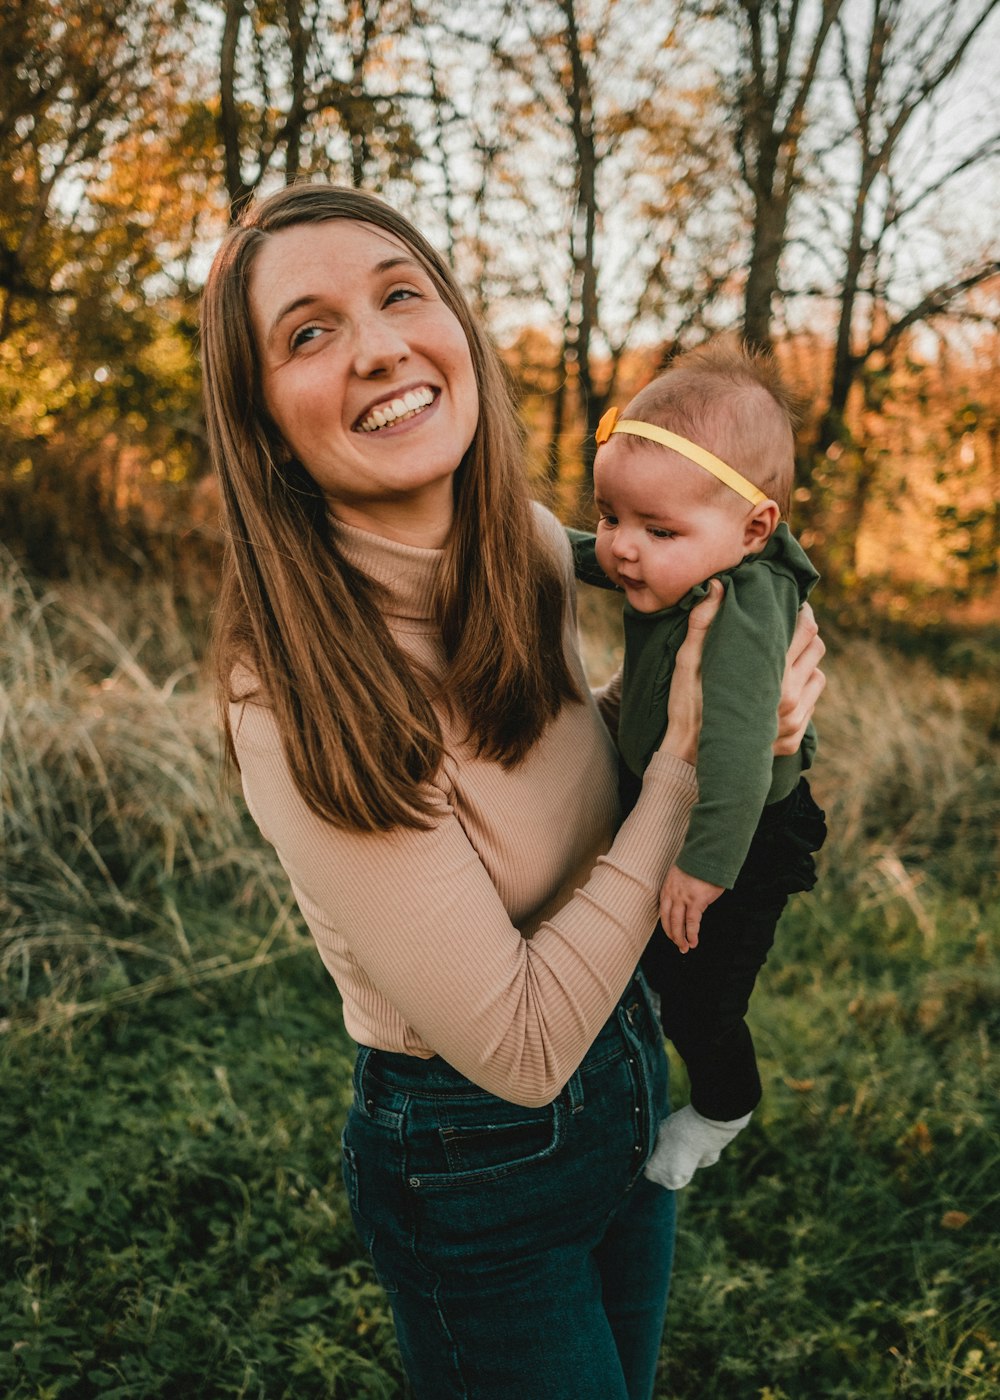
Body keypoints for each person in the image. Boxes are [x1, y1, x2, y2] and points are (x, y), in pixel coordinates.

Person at [199, 184, 825, 1400]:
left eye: (398, 294)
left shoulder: (532, 549)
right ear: (264, 422)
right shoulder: (291, 688)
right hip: (476, 1147)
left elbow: (558, 773)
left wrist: (758, 696)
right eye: (308, 331)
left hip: (632, 1065)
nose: (377, 343)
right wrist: (689, 769)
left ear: (458, 330)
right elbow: (522, 1046)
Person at [568, 340, 828, 1192]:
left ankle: (722, 1109)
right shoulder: (687, 560)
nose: (622, 550)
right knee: (651, 971)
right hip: (691, 805)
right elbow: (589, 555)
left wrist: (704, 868)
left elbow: (745, 756)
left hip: (742, 834)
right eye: (611, 517)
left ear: (754, 528)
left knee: (703, 1002)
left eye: (657, 529)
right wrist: (519, 538)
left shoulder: (745, 609)